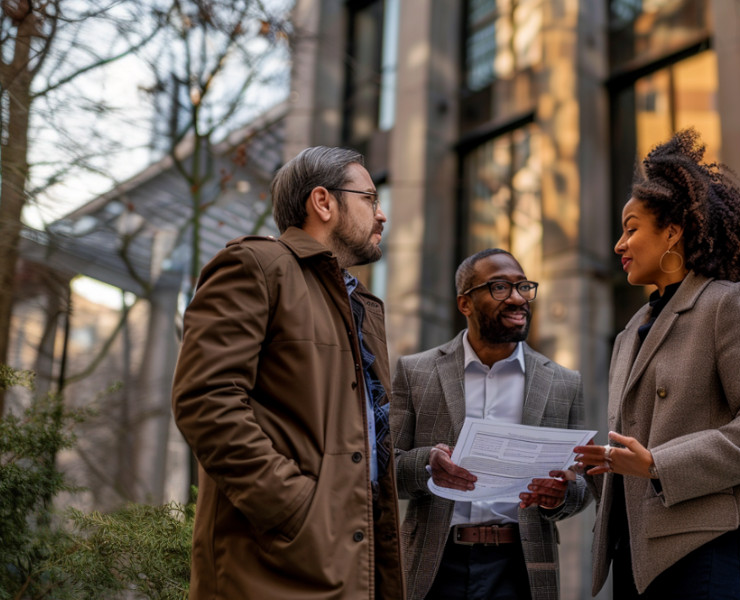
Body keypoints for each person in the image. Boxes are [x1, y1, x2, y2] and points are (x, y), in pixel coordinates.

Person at [574, 129, 740, 599]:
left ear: (673, 231)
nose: (619, 244)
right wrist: (593, 473)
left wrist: (658, 463)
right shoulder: (630, 332)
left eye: (632, 228)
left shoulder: (728, 304)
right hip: (636, 557)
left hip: (708, 552)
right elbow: (638, 464)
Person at [172, 147, 404, 599]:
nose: (382, 216)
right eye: (370, 199)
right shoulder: (256, 266)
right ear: (323, 202)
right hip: (275, 566)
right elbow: (205, 400)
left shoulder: (359, 305)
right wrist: (294, 508)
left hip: (350, 562)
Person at [390, 248, 590, 600]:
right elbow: (386, 468)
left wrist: (559, 496)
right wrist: (426, 465)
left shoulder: (563, 382)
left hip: (520, 568)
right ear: (465, 303)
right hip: (434, 565)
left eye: (523, 287)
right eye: (500, 287)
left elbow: (584, 483)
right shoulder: (415, 372)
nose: (517, 299)